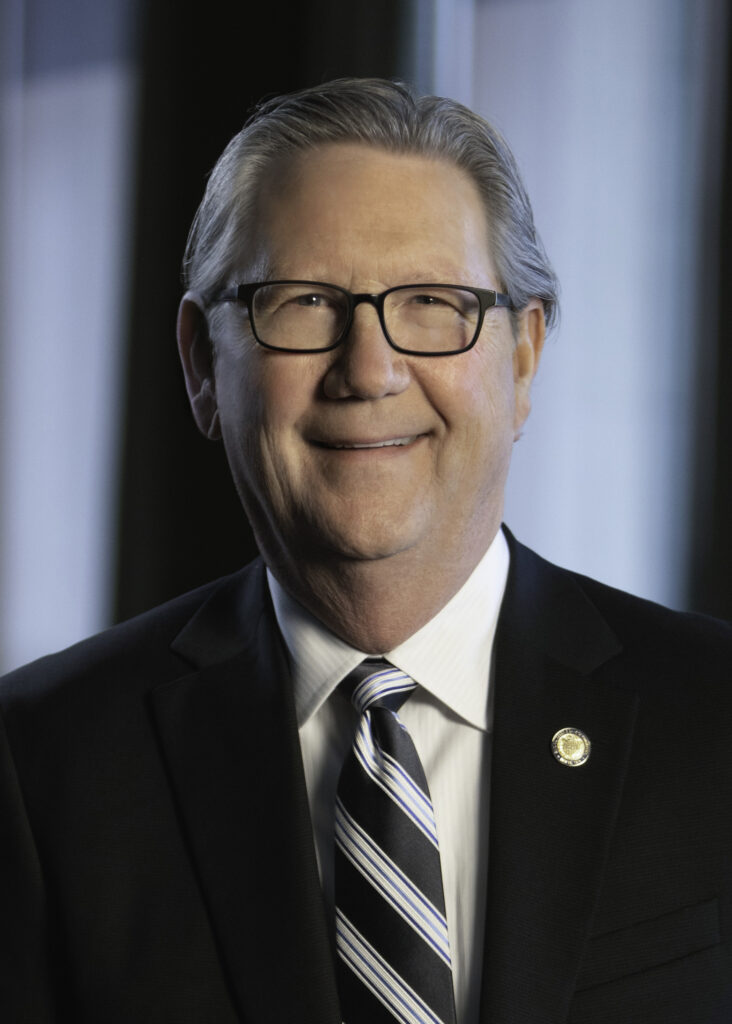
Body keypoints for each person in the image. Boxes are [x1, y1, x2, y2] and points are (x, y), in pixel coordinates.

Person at [1, 78, 730, 1024]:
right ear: (200, 366)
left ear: (522, 359)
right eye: (303, 302)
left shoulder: (717, 721)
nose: (370, 369)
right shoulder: (39, 765)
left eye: (433, 302)